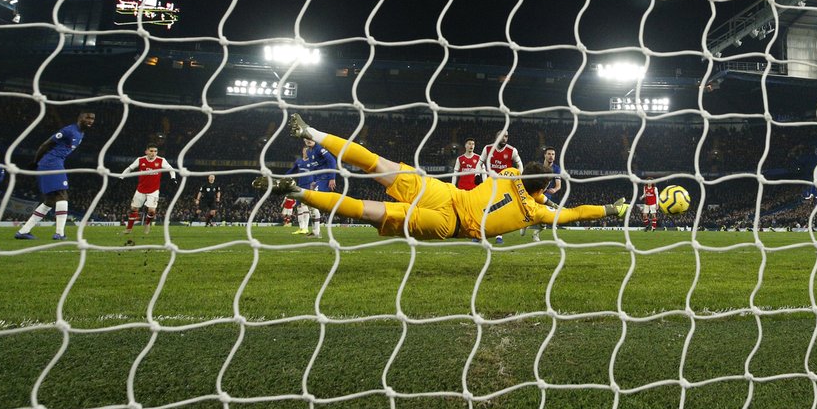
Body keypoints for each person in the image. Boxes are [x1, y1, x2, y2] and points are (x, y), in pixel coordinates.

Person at [252, 114, 628, 241]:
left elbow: (528, 184)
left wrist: (538, 189)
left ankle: (311, 132)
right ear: (544, 187)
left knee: (377, 165)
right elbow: (576, 214)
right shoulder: (538, 214)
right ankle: (298, 192)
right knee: (370, 210)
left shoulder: (511, 174)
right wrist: (612, 208)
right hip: (448, 222)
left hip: (442, 192)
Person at [15, 112, 96, 241]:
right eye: (87, 117)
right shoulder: (69, 130)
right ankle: (59, 233)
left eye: (92, 118)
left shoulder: (81, 134)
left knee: (50, 201)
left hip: (54, 162)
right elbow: (45, 144)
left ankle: (23, 231)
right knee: (62, 195)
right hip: (51, 162)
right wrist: (35, 162)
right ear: (79, 118)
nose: (90, 120)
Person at [477, 130, 524, 243]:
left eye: (506, 136)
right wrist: (478, 174)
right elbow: (479, 163)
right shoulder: (487, 149)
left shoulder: (512, 151)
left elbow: (520, 164)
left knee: (500, 211)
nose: (504, 139)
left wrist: (518, 176)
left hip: (504, 185)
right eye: (502, 136)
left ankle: (499, 236)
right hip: (490, 184)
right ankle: (479, 234)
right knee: (484, 209)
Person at [120, 143, 177, 236]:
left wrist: (173, 178)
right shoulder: (140, 160)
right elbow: (129, 168)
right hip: (140, 189)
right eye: (151, 151)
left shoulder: (161, 160)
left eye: (155, 151)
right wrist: (121, 177)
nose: (153, 153)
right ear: (146, 151)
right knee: (134, 209)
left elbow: (171, 169)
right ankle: (129, 229)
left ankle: (147, 223)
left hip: (154, 190)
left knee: (152, 210)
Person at [285, 138, 337, 237]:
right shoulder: (310, 152)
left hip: (325, 178)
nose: (308, 141)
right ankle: (315, 232)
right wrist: (314, 180)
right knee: (311, 205)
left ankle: (316, 232)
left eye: (310, 139)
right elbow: (314, 168)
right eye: (306, 139)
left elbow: (332, 161)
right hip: (318, 180)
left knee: (313, 204)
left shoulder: (319, 149)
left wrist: (332, 178)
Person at [521, 147, 562, 242]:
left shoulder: (556, 169)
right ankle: (524, 224)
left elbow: (558, 185)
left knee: (545, 218)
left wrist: (554, 189)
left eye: (553, 154)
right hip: (533, 193)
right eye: (549, 154)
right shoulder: (538, 166)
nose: (551, 156)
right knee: (531, 212)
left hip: (546, 195)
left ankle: (535, 234)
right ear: (545, 155)